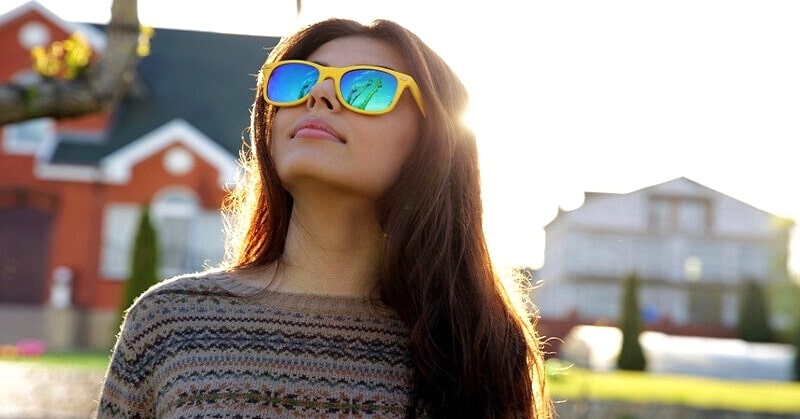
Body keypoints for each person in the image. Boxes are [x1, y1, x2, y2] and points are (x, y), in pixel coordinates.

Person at [95, 17, 552, 418]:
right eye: (295, 81)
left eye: (366, 87)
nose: (317, 94)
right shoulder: (169, 322)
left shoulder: (477, 345)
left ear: (432, 141)